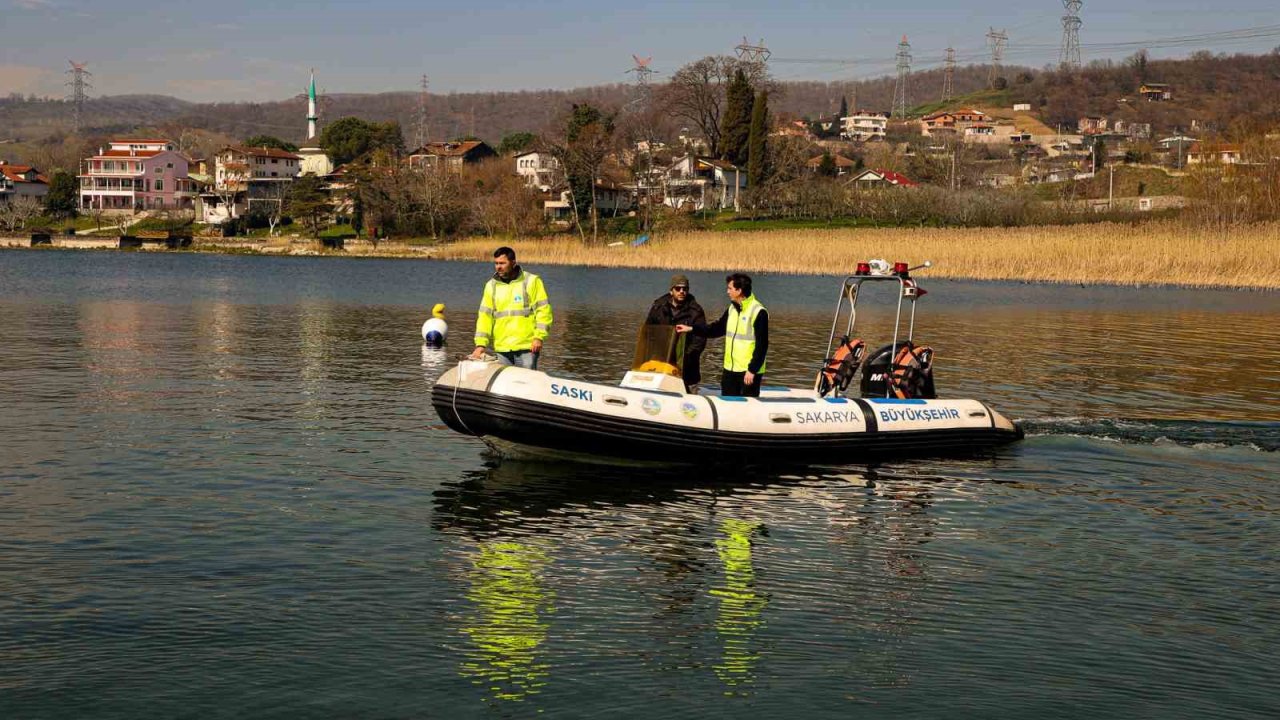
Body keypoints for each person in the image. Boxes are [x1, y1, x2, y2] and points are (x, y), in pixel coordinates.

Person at [676, 273, 768, 397]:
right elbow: (716, 329)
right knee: (728, 403)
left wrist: (752, 370)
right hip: (730, 370)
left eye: (730, 288)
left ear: (739, 290)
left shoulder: (758, 312)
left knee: (746, 406)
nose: (727, 292)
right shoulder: (732, 309)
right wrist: (691, 329)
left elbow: (762, 345)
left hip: (748, 372)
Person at [468, 246, 553, 369]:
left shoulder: (531, 281)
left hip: (527, 347)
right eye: (496, 263)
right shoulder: (491, 286)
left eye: (502, 263)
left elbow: (543, 311)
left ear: (513, 263)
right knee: (504, 381)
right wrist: (480, 344)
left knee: (526, 380)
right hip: (502, 348)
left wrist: (539, 337)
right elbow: (485, 317)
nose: (498, 267)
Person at [645, 274, 706, 393]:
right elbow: (648, 332)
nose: (681, 291)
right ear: (671, 291)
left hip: (687, 367)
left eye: (685, 289)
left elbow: (700, 338)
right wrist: (653, 353)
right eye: (678, 289)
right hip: (661, 363)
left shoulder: (696, 311)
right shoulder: (658, 307)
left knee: (689, 394)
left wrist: (686, 357)